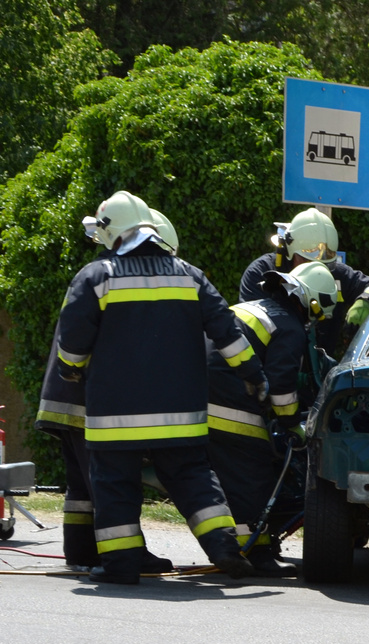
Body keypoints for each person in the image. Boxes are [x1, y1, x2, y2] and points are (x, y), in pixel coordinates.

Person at [57, 191, 257, 583]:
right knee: (195, 481)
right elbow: (227, 332)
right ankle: (224, 547)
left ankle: (122, 566)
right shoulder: (190, 275)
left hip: (114, 416)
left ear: (111, 233)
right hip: (181, 413)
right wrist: (253, 375)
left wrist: (71, 370)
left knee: (115, 487)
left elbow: (72, 340)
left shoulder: (96, 276)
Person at [205, 261, 335, 576]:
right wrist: (293, 424)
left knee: (214, 481)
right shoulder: (289, 326)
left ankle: (232, 546)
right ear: (312, 302)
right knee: (253, 472)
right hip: (227, 406)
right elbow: (281, 386)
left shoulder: (251, 308)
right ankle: (258, 555)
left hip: (194, 402)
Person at [238, 207, 369, 355]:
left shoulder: (337, 273)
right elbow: (250, 329)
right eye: (307, 260)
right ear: (289, 250)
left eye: (325, 263)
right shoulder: (261, 272)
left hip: (320, 369)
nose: (317, 268)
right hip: (274, 365)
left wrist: (366, 300)